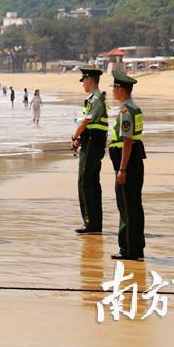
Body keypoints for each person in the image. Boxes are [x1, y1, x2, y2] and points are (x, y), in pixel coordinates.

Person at [109, 70, 145, 261]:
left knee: (126, 207)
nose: (113, 91)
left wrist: (122, 169)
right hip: (134, 162)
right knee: (134, 205)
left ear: (121, 89)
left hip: (127, 164)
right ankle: (136, 247)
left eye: (114, 87)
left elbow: (127, 141)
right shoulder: (134, 108)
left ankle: (128, 249)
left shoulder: (126, 112)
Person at [71, 68, 109, 235]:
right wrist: (81, 136)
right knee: (92, 183)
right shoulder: (95, 98)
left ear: (91, 81)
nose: (83, 84)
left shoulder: (95, 99)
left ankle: (90, 223)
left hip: (92, 145)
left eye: (84, 80)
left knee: (85, 182)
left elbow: (86, 121)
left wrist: (74, 135)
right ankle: (95, 223)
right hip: (92, 142)